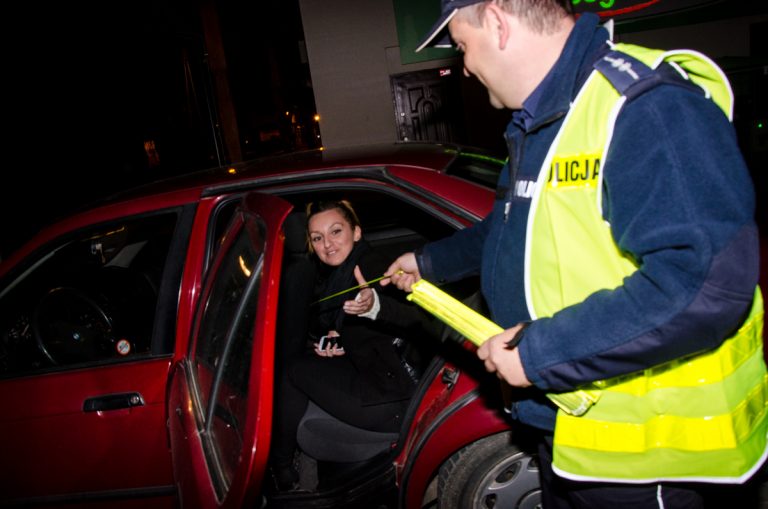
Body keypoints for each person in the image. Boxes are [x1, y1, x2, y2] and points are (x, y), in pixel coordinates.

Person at [384, 1, 766, 507]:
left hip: (644, 460)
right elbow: (508, 234)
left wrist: (541, 353)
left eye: (462, 45)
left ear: (498, 22)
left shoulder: (642, 105)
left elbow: (703, 284)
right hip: (564, 427)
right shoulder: (541, 122)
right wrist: (427, 263)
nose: (465, 66)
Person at [270, 200, 432, 491]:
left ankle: (279, 466)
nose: (327, 244)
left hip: (395, 400)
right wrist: (341, 344)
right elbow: (367, 336)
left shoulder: (370, 266)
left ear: (356, 232)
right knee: (305, 364)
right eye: (318, 238)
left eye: (336, 232)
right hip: (380, 375)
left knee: (292, 372)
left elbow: (421, 318)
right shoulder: (338, 274)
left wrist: (377, 305)